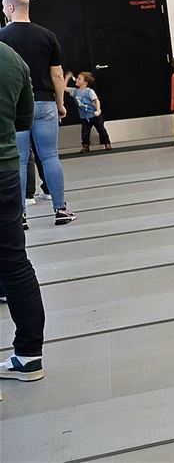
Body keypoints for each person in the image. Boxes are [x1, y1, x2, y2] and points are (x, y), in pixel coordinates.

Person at [0, 0, 75, 225]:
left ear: (10, 8)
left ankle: (20, 216)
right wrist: (60, 104)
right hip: (45, 103)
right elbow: (57, 75)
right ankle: (61, 209)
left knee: (20, 160)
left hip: (14, 106)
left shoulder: (2, 37)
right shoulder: (47, 36)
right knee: (50, 156)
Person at [0, 41, 47, 399]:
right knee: (15, 263)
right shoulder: (11, 57)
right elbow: (23, 119)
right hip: (4, 173)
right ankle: (29, 356)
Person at [63, 71, 111, 152]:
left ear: (85, 83)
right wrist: (67, 78)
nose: (76, 80)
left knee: (101, 130)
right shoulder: (74, 91)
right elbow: (63, 88)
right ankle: (85, 146)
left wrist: (98, 110)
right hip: (84, 117)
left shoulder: (89, 91)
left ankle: (107, 143)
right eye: (77, 78)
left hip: (95, 116)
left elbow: (96, 101)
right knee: (85, 132)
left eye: (79, 79)